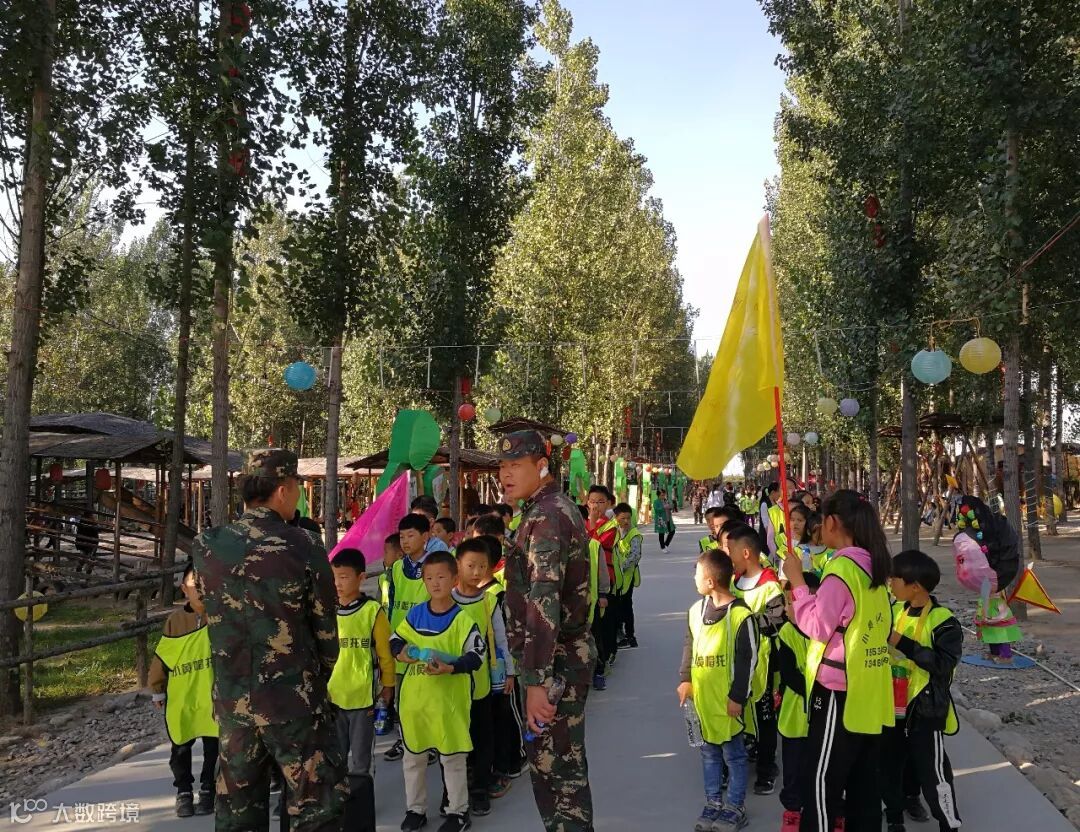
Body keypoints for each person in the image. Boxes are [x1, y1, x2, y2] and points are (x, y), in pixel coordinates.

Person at [192, 448, 347, 831]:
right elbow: (326, 633)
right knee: (314, 811)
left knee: (238, 816)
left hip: (234, 707)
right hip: (293, 703)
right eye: (296, 487)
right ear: (282, 489)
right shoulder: (304, 545)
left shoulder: (208, 544)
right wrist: (312, 681)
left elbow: (207, 608)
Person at [498, 430, 596, 832]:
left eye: (516, 465)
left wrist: (537, 680)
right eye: (502, 466)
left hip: (554, 666)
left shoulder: (546, 517)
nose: (505, 474)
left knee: (559, 777)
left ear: (541, 466)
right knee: (554, 770)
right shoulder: (545, 509)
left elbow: (544, 600)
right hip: (555, 662)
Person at [782, 489, 895, 832]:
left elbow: (818, 626)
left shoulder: (842, 569)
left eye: (821, 521)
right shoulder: (872, 564)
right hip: (869, 685)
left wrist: (797, 581)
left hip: (837, 690)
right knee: (863, 783)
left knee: (821, 782)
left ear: (832, 522)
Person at [391, 551, 486, 832]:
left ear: (454, 579)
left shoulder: (463, 619)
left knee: (453, 758)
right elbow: (396, 640)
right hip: (415, 702)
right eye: (429, 578)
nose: (435, 583)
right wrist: (402, 653)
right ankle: (415, 809)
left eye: (441, 577)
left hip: (449, 704)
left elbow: (476, 657)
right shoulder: (415, 614)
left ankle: (458, 812)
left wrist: (451, 668)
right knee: (413, 758)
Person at [883, 550, 963, 832]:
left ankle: (949, 824)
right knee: (890, 764)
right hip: (892, 704)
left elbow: (943, 664)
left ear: (915, 586)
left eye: (895, 578)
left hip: (925, 711)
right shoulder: (894, 610)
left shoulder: (944, 621)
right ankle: (895, 815)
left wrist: (901, 642)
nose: (891, 583)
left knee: (934, 772)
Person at [677, 549, 756, 832]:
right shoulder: (695, 612)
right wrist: (685, 679)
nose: (694, 579)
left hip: (727, 702)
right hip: (703, 700)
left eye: (697, 575)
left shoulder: (741, 615)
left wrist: (738, 696)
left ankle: (735, 805)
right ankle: (713, 802)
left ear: (710, 581)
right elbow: (689, 646)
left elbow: (748, 659)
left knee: (734, 756)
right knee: (708, 754)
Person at [328, 548, 395, 832]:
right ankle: (337, 802)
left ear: (361, 578)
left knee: (361, 759)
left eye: (344, 577)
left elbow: (385, 654)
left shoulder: (372, 611)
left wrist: (388, 685)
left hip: (362, 699)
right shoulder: (326, 611)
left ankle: (361, 804)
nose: (338, 583)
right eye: (334, 577)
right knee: (334, 757)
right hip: (332, 698)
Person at [148, 563, 219, 818]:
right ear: (184, 589)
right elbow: (163, 657)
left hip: (212, 696)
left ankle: (209, 789)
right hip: (183, 696)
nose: (200, 589)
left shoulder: (220, 617)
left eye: (205, 582)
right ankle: (184, 791)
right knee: (180, 746)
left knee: (214, 746)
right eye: (194, 584)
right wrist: (157, 688)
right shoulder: (175, 621)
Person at [454, 538, 514, 816]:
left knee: (482, 736)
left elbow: (501, 640)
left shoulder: (489, 602)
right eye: (470, 566)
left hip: (482, 684)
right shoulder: (445, 601)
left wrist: (509, 672)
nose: (476, 572)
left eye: (482, 566)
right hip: (451, 685)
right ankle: (455, 790)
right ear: (458, 565)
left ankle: (480, 788)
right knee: (456, 738)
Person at [727, 523, 783, 797]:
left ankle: (767, 768)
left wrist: (744, 623)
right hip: (736, 663)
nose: (728, 556)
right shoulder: (732, 583)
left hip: (762, 664)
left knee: (764, 717)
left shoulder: (770, 586)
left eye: (731, 550)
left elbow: (776, 622)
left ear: (746, 553)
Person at [384, 513, 435, 763]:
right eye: (402, 536)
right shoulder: (395, 568)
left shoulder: (435, 568)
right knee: (402, 697)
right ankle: (406, 739)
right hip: (399, 642)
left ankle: (430, 741)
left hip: (426, 641)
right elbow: (391, 602)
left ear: (426, 537)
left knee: (427, 695)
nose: (405, 541)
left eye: (410, 536)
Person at [775, 572, 821, 832]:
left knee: (823, 768)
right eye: (788, 603)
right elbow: (789, 674)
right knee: (793, 769)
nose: (788, 609)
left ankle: (832, 810)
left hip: (822, 717)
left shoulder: (826, 631)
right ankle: (792, 810)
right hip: (795, 717)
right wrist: (817, 689)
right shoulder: (786, 633)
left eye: (792, 602)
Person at [585, 486, 620, 686]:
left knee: (603, 625)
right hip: (586, 582)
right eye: (592, 501)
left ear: (608, 504)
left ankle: (604, 661)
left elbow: (596, 543)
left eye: (600, 502)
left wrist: (591, 523)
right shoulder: (581, 523)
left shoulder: (611, 526)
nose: (596, 506)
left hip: (605, 580)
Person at [613, 502, 643, 649]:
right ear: (616, 518)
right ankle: (619, 633)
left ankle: (630, 636)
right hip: (615, 576)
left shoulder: (634, 534)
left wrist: (621, 566)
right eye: (622, 518)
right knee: (616, 606)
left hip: (627, 576)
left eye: (628, 518)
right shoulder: (613, 530)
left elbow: (635, 555)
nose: (626, 521)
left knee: (626, 605)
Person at [654, 487, 676, 552]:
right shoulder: (656, 502)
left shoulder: (666, 500)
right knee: (661, 533)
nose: (663, 496)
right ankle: (662, 547)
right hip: (661, 519)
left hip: (668, 519)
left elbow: (671, 506)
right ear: (658, 495)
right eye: (662, 495)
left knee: (672, 531)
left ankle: (666, 544)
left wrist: (670, 506)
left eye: (664, 495)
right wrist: (663, 507)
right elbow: (656, 510)